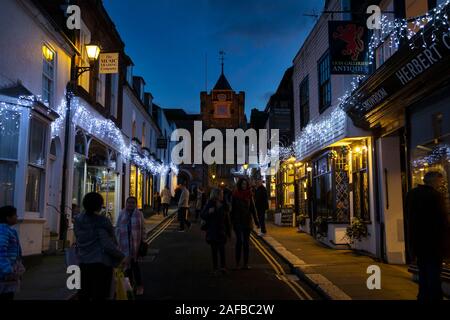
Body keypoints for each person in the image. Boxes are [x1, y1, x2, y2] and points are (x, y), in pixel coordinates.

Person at [406, 171, 449, 301]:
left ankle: (423, 296)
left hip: (418, 241)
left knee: (423, 271)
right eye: (440, 181)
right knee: (434, 273)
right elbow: (442, 220)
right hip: (434, 241)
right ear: (434, 181)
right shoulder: (435, 196)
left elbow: (409, 217)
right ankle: (434, 297)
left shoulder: (411, 194)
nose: (441, 184)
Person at [74, 192, 125, 301]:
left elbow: (78, 238)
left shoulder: (78, 220)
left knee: (84, 294)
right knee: (100, 295)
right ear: (99, 205)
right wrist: (121, 256)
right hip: (100, 265)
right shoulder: (102, 221)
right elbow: (107, 245)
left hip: (83, 263)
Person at [116, 197, 146, 296]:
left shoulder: (139, 214)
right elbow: (117, 227)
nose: (130, 204)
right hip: (124, 244)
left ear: (136, 204)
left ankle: (139, 286)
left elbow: (143, 229)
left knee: (135, 267)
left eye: (133, 203)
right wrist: (117, 241)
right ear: (126, 203)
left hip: (135, 245)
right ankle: (129, 287)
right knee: (126, 269)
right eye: (128, 202)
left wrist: (143, 241)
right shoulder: (121, 213)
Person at [230, 178, 259, 270]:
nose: (244, 186)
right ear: (239, 185)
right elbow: (232, 210)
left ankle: (245, 264)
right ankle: (237, 263)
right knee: (239, 242)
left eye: (245, 184)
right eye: (242, 184)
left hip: (247, 221)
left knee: (246, 243)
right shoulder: (235, 195)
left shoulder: (249, 195)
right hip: (237, 221)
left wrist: (256, 221)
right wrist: (231, 222)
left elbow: (253, 208)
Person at [201, 188, 231, 275]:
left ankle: (223, 267)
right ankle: (215, 269)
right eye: (221, 194)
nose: (222, 195)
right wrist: (209, 212)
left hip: (221, 230)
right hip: (212, 231)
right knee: (214, 251)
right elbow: (202, 215)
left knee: (222, 250)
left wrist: (229, 232)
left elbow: (227, 220)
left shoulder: (224, 204)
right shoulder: (210, 203)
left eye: (222, 194)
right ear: (216, 195)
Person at [0, 206, 25, 300]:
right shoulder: (3, 231)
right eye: (15, 215)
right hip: (4, 275)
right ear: (8, 217)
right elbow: (1, 251)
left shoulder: (9, 231)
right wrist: (8, 270)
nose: (17, 217)